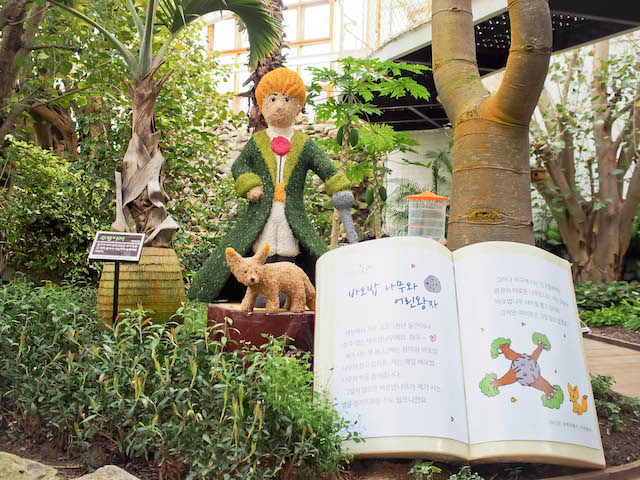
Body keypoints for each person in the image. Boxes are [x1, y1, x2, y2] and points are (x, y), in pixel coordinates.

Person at [188, 67, 353, 304]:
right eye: (272, 99)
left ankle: (287, 290)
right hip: (261, 213)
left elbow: (327, 168)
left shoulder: (304, 144)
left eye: (287, 99)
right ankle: (256, 290)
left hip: (291, 213)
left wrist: (339, 188)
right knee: (259, 246)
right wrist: (250, 185)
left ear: (298, 107)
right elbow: (240, 166)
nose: (279, 106)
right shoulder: (257, 141)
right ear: (262, 105)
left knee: (290, 245)